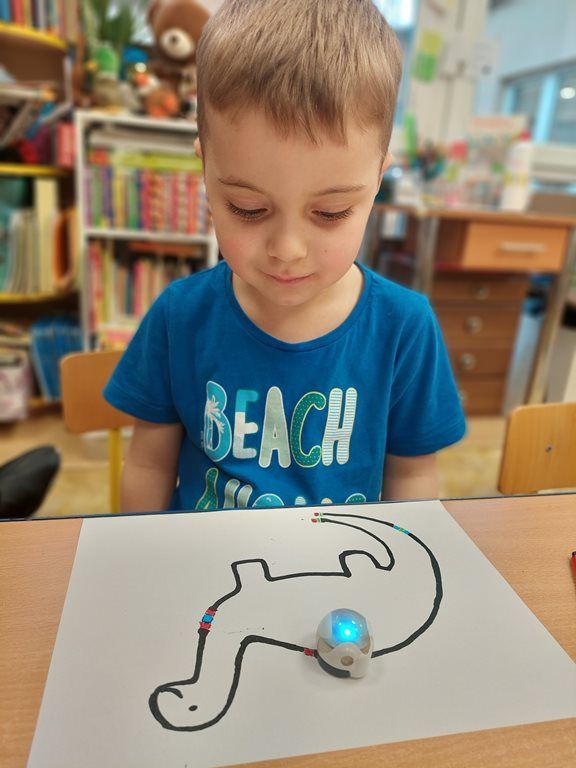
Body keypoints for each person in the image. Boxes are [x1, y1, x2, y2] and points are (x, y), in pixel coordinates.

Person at [104, 0, 466, 514]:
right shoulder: (179, 317)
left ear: (378, 178)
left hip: (341, 559)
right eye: (248, 209)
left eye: (331, 212)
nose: (288, 251)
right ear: (205, 170)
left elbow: (413, 475)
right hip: (203, 563)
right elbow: (148, 465)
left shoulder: (404, 328)